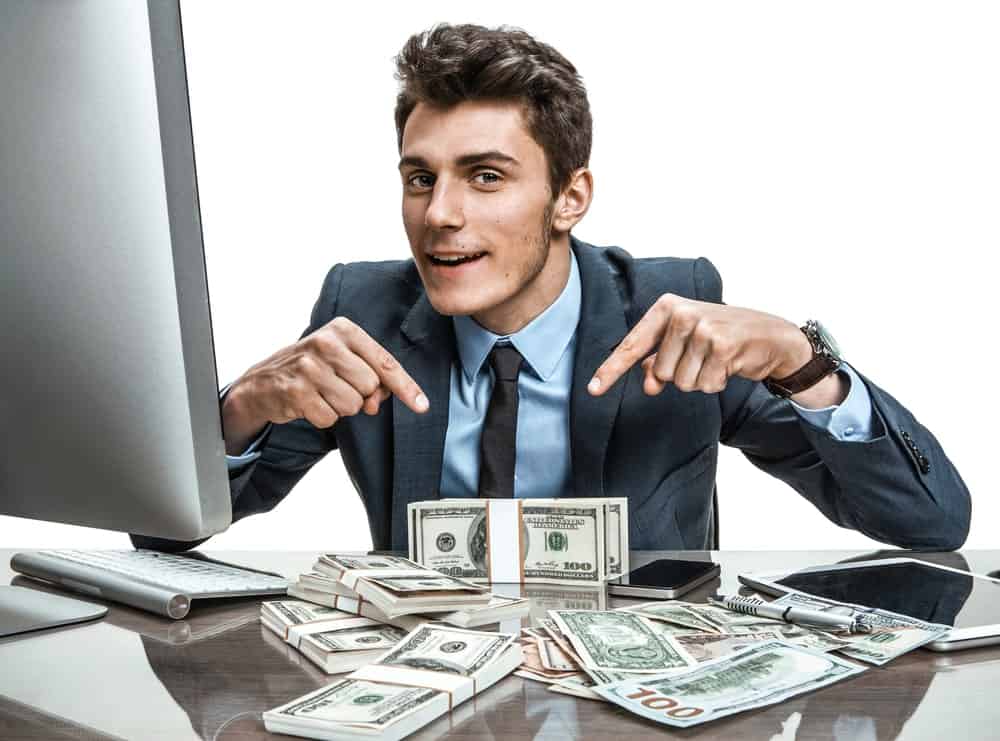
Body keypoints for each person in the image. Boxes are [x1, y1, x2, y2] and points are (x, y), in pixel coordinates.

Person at [133, 23, 970, 554]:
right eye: (419, 178)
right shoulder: (365, 315)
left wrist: (802, 358)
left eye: (486, 176)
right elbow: (164, 532)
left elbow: (930, 524)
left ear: (570, 197)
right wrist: (241, 405)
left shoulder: (669, 312)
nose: (441, 216)